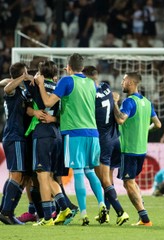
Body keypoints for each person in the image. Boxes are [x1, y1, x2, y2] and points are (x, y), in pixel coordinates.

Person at [34, 53, 106, 226]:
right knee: (90, 170)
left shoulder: (67, 81)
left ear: (69, 67)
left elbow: (48, 102)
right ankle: (102, 204)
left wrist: (41, 85)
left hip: (75, 133)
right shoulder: (91, 83)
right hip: (93, 133)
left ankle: (83, 214)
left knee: (79, 172)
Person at [25, 60, 74, 226]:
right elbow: (67, 113)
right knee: (51, 176)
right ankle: (64, 207)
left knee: (42, 175)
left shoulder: (35, 85)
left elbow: (16, 95)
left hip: (43, 133)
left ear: (40, 72)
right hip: (57, 134)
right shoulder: (60, 88)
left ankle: (47, 218)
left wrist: (32, 78)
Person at [113, 71, 161, 226]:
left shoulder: (129, 102)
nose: (122, 83)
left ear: (132, 83)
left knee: (128, 183)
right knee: (130, 182)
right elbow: (158, 124)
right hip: (141, 150)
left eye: (124, 80)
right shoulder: (147, 102)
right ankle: (142, 214)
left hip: (129, 150)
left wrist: (114, 103)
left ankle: (145, 218)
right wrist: (143, 130)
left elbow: (120, 120)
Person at [82, 66, 129, 226]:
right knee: (108, 178)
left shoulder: (88, 95)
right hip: (115, 138)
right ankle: (106, 214)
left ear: (86, 78)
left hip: (102, 142)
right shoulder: (106, 88)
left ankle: (121, 212)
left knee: (104, 181)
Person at [0, 63, 31, 225]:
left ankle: (5, 209)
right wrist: (23, 77)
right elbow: (6, 88)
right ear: (21, 74)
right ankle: (7, 212)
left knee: (21, 176)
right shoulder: (12, 90)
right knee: (17, 174)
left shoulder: (19, 89)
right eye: (25, 72)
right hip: (14, 136)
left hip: (19, 137)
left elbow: (4, 82)